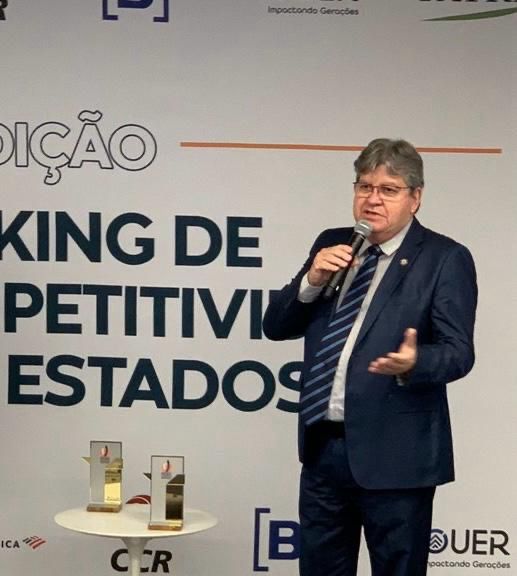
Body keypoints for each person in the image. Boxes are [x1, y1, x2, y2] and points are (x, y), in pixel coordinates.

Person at [262, 138, 477, 576]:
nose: (372, 199)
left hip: (397, 456)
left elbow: (458, 353)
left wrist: (415, 362)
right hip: (324, 450)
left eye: (388, 189)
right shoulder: (333, 244)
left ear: (415, 197)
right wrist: (312, 279)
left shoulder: (444, 258)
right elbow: (276, 325)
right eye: (364, 186)